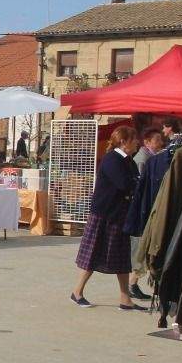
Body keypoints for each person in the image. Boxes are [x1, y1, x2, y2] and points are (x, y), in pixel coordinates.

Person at [71, 125, 144, 310]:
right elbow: (125, 184)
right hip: (105, 214)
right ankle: (77, 292)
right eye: (133, 139)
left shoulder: (128, 160)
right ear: (123, 141)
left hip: (120, 215)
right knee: (93, 254)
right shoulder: (112, 159)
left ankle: (124, 299)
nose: (137, 142)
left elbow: (135, 181)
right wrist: (138, 183)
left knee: (122, 258)